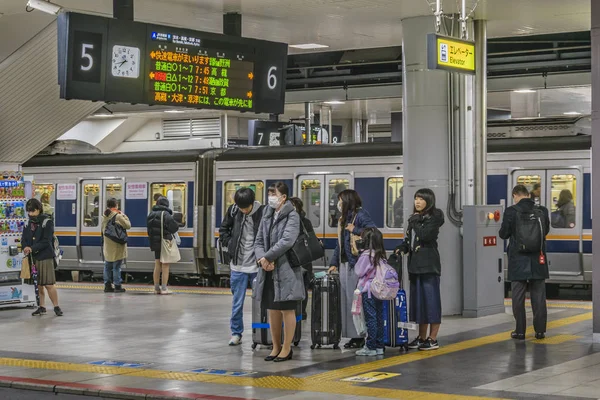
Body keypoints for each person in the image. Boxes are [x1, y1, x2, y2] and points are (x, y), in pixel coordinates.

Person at [254, 182, 303, 363]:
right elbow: (258, 240)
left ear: (284, 197)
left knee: (286, 309)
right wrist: (262, 259)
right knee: (272, 310)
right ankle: (275, 346)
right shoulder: (267, 214)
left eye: (274, 194)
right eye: (269, 194)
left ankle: (286, 347)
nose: (270, 198)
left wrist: (268, 257)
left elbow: (287, 241)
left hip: (285, 270)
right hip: (267, 270)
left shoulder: (292, 216)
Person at [395, 188, 444, 351]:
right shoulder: (414, 219)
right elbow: (409, 240)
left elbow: (425, 236)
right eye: (416, 198)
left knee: (431, 302)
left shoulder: (435, 216)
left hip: (429, 266)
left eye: (421, 199)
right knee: (419, 304)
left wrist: (415, 221)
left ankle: (433, 339)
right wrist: (401, 248)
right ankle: (422, 337)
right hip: (415, 266)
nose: (417, 201)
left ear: (429, 201)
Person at [499, 184, 550, 340]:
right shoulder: (542, 211)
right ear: (528, 195)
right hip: (538, 259)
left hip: (518, 259)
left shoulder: (511, 211)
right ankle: (540, 331)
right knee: (539, 296)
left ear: (515, 195)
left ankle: (520, 331)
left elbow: (503, 234)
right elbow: (545, 231)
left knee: (518, 297)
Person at [328, 189, 376, 349]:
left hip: (357, 264)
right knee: (347, 301)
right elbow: (339, 243)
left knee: (356, 301)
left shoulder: (361, 216)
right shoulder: (343, 219)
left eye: (340, 200)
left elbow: (373, 233)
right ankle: (353, 335)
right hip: (344, 264)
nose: (338, 203)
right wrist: (333, 262)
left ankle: (361, 335)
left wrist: (354, 229)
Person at [219, 188, 265, 346]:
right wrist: (229, 243)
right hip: (237, 266)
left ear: (252, 203)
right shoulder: (233, 211)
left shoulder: (263, 212)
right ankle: (236, 333)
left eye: (246, 208)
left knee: (262, 302)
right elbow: (223, 229)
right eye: (240, 207)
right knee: (237, 303)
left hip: (258, 266)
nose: (243, 210)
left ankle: (262, 333)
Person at [22, 198, 63, 317]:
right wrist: (25, 247)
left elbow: (46, 241)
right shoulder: (28, 222)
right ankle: (42, 306)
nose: (30, 214)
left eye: (32, 211)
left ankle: (56, 306)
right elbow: (24, 238)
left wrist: (32, 248)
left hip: (45, 256)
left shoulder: (47, 222)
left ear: (38, 209)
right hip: (33, 257)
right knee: (38, 284)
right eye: (28, 212)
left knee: (48, 284)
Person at [353, 228, 386, 356]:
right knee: (379, 318)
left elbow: (359, 272)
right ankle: (379, 346)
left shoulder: (367, 255)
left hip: (368, 291)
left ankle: (370, 347)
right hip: (379, 290)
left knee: (370, 319)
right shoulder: (381, 254)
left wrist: (357, 253)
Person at [147, 196, 179, 295]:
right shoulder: (166, 214)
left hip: (155, 242)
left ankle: (156, 288)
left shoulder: (151, 214)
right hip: (165, 242)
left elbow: (149, 229)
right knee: (165, 265)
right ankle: (164, 288)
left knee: (157, 264)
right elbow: (174, 228)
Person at [289, 197, 315, 320]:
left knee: (303, 285)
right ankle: (295, 311)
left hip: (302, 259)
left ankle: (301, 312)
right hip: (293, 259)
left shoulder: (304, 222)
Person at [101, 198, 131, 293]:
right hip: (117, 244)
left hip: (107, 243)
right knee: (117, 266)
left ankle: (107, 285)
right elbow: (128, 225)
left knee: (107, 266)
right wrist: (123, 215)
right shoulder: (118, 216)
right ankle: (117, 285)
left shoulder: (104, 215)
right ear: (116, 205)